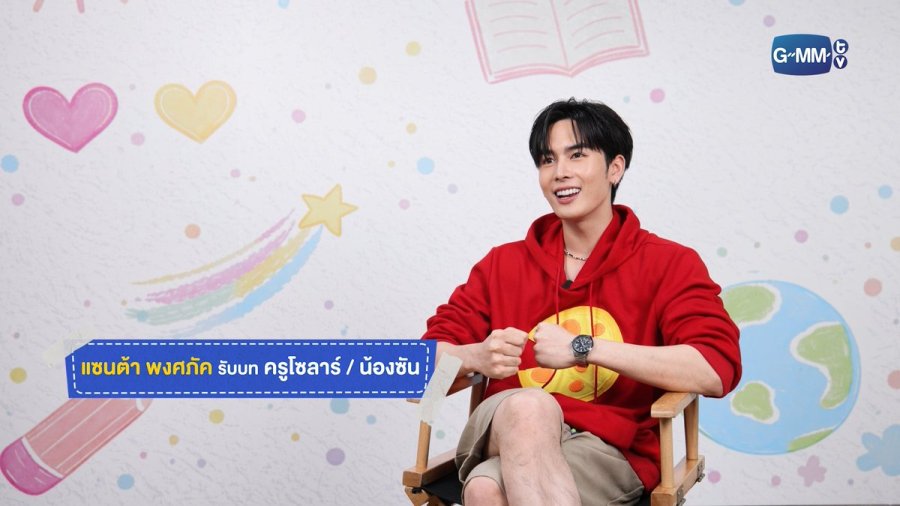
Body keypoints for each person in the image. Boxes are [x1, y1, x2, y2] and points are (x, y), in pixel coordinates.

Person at [421, 98, 742, 506]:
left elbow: (715, 369)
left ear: (615, 168)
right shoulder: (501, 265)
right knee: (529, 409)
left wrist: (583, 348)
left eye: (577, 155)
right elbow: (415, 378)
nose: (560, 172)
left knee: (486, 490)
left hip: (610, 448)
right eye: (547, 159)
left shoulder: (669, 263)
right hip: (504, 425)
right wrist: (474, 357)